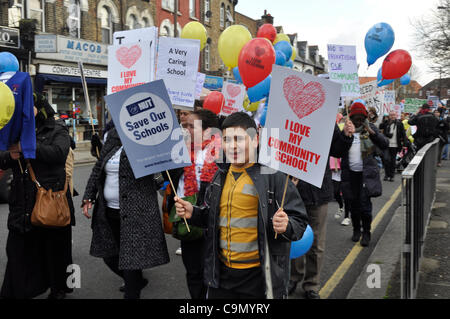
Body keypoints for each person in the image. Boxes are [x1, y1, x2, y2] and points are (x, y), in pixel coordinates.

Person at [174, 112, 309, 299]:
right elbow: (213, 217)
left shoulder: (273, 177)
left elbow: (299, 220)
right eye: (227, 140)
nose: (233, 146)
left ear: (255, 140)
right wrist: (194, 213)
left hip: (258, 279)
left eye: (239, 139)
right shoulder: (219, 176)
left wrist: (287, 225)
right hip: (220, 276)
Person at [0, 93, 75, 299]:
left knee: (55, 254)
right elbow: (3, 158)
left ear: (37, 109)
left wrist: (28, 148)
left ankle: (59, 289)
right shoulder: (12, 131)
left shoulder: (56, 128)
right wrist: (10, 155)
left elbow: (59, 153)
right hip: (22, 204)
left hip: (49, 200)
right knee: (16, 254)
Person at [82, 127, 169, 299]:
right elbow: (98, 167)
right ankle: (135, 280)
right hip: (109, 211)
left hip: (138, 212)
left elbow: (159, 180)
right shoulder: (114, 135)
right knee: (109, 254)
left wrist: (155, 157)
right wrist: (89, 196)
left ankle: (132, 287)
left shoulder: (149, 138)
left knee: (131, 260)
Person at [288, 117, 354, 299]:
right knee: (293, 236)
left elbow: (337, 150)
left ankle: (311, 284)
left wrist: (346, 135)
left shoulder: (324, 117)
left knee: (316, 241)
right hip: (291, 188)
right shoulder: (288, 114)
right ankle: (294, 276)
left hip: (317, 189)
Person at [165, 109, 220, 299]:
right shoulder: (180, 149)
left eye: (191, 126)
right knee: (192, 270)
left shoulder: (221, 151)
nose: (186, 129)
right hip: (186, 217)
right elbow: (169, 178)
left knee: (211, 270)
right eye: (184, 125)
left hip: (211, 217)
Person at [341, 102, 388, 247]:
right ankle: (356, 229)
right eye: (356, 118)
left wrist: (372, 133)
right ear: (352, 116)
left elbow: (384, 144)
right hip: (350, 174)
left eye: (362, 118)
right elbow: (337, 148)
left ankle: (366, 232)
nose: (359, 121)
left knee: (365, 206)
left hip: (366, 175)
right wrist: (345, 135)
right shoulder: (346, 129)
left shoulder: (370, 128)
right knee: (353, 204)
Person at [379, 111, 409, 182]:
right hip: (386, 144)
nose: (392, 116)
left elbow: (403, 135)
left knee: (392, 161)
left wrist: (404, 144)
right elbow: (380, 127)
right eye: (391, 115)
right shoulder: (386, 123)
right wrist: (384, 120)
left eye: (394, 115)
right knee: (386, 159)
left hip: (395, 145)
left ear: (396, 116)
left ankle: (391, 176)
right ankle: (387, 174)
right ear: (389, 116)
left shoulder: (399, 123)